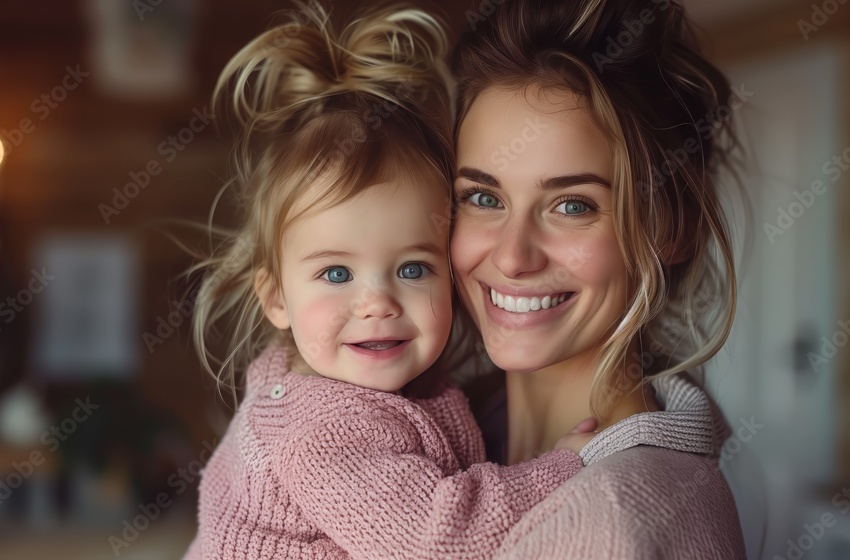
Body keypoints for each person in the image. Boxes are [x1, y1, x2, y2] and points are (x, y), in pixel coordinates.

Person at [181, 3, 597, 559]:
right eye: (335, 273)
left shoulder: (352, 384)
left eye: (411, 268)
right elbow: (442, 538)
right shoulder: (326, 432)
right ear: (276, 297)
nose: (377, 302)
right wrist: (561, 467)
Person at [448, 0, 748, 557]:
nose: (513, 257)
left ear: (672, 227)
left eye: (572, 206)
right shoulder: (432, 429)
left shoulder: (615, 524)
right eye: (483, 197)